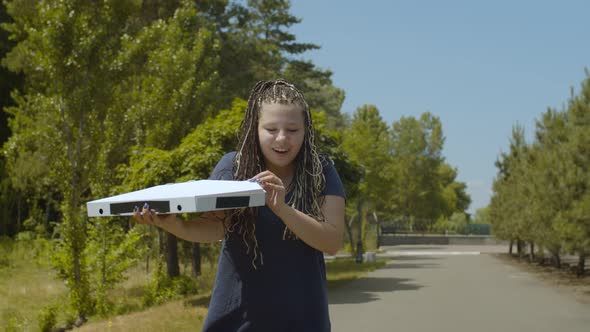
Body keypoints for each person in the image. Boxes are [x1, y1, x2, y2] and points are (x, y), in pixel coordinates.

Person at [133, 79, 346, 331]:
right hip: (237, 319)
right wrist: (171, 223)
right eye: (270, 129)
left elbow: (331, 242)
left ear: (305, 130)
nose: (282, 138)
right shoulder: (232, 167)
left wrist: (283, 209)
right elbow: (215, 228)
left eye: (292, 130)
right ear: (254, 128)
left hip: (303, 319)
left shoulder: (321, 170)